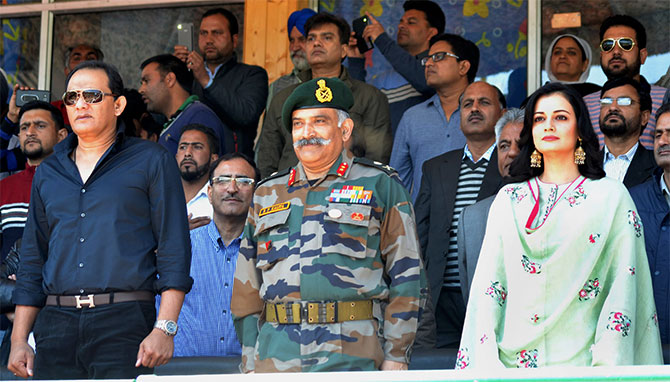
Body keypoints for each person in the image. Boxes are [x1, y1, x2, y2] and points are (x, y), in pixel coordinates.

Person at [8, 61, 193, 379]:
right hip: (55, 322)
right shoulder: (50, 171)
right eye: (71, 97)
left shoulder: (151, 160)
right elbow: (33, 259)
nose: (80, 104)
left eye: (92, 95)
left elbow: (174, 246)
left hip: (124, 319)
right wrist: (19, 339)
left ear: (118, 104)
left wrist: (165, 327)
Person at [457, 83, 662, 368]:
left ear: (580, 129)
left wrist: (607, 368)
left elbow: (623, 291)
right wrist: (488, 364)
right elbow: (489, 289)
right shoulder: (509, 199)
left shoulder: (610, 197)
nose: (548, 125)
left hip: (586, 368)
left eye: (561, 117)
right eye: (540, 118)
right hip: (510, 369)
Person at [231, 77, 424, 372]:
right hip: (277, 355)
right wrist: (249, 361)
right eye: (298, 124)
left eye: (319, 121)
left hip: (351, 352)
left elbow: (407, 275)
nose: (307, 133)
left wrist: (397, 355)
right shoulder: (267, 193)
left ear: (345, 130)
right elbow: (246, 287)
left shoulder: (379, 185)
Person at [415, 81, 505, 348]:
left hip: (491, 295)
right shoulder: (435, 167)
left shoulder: (511, 166)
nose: (474, 109)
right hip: (439, 299)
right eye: (467, 104)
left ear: (502, 113)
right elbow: (419, 233)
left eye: (484, 103)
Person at [255, 12, 391, 179]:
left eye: (327, 38)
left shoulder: (370, 97)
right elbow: (267, 159)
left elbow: (377, 157)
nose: (317, 43)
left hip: (346, 195)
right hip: (290, 195)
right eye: (311, 39)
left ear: (343, 50)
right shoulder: (283, 98)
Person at [165, 153, 259, 357]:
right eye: (222, 181)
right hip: (183, 370)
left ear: (257, 193)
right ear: (209, 192)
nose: (232, 188)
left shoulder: (268, 250)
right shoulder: (180, 246)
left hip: (249, 370)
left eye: (243, 181)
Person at [390, 33, 478, 201]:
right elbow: (397, 182)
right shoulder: (412, 117)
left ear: (463, 67)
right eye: (427, 59)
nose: (429, 63)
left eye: (439, 57)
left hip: (474, 221)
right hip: (423, 223)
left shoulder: (485, 115)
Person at [174, 8, 268, 157]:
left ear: (234, 40)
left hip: (233, 168)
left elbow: (246, 114)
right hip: (190, 166)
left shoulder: (252, 74)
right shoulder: (189, 73)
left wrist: (206, 80)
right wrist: (176, 72)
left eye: (217, 33)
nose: (209, 40)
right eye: (204, 33)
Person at [457, 108, 524, 303]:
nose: (512, 152)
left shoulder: (561, 205)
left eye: (521, 145)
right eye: (504, 146)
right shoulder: (471, 218)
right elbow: (471, 296)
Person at [347, 0, 445, 133]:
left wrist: (382, 40)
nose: (401, 26)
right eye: (401, 22)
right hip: (390, 153)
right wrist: (355, 61)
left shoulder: (439, 67)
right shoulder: (385, 78)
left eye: (411, 22)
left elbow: (425, 81)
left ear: (431, 32)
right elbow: (360, 108)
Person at [583, 15, 670, 150]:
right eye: (608, 45)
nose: (616, 51)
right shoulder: (585, 104)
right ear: (601, 55)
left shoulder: (665, 98)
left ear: (642, 56)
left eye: (626, 44)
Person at [0, 102, 67, 262]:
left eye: (40, 126)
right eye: (24, 127)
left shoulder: (77, 185)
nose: (30, 132)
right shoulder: (4, 188)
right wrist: (10, 119)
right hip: (8, 285)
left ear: (61, 135)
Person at [629, 102, 670, 346]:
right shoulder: (632, 199)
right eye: (658, 134)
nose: (663, 141)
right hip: (644, 347)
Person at [139, 54, 227, 156]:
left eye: (146, 81)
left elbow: (201, 169)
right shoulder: (179, 119)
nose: (141, 90)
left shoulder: (199, 116)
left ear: (170, 79)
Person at [599, 77, 656, 188]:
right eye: (606, 102)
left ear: (644, 117)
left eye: (624, 102)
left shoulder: (658, 165)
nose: (613, 107)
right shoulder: (582, 165)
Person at [266, 8, 317, 109]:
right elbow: (269, 125)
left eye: (302, 39)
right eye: (292, 40)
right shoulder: (278, 86)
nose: (295, 47)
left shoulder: (334, 82)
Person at [176, 124, 220, 229]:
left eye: (197, 147)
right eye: (183, 147)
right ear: (176, 156)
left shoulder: (221, 199)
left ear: (213, 158)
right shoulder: (160, 195)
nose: (187, 153)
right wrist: (177, 231)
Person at [54, 44, 105, 128]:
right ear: (66, 71)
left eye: (91, 58)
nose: (84, 61)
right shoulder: (55, 110)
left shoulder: (108, 105)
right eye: (77, 58)